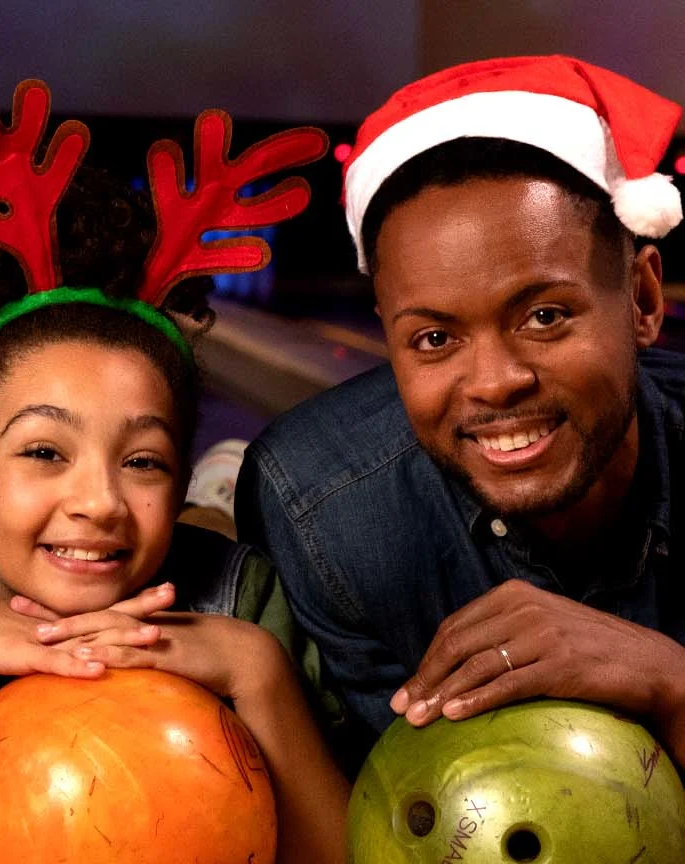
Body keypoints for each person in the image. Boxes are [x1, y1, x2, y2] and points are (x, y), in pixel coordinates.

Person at [0, 81, 350, 864]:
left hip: (190, 564)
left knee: (199, 552)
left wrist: (257, 672)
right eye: (45, 451)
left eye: (144, 462)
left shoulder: (244, 595)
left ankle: (210, 505)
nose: (100, 499)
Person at [237, 55, 685, 762]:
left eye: (544, 316)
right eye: (435, 339)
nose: (496, 383)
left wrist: (671, 681)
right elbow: (403, 815)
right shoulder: (324, 509)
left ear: (643, 301)